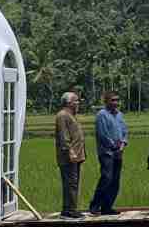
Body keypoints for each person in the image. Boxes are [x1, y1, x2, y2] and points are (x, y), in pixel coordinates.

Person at [89, 92, 129, 215]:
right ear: (106, 101)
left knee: (115, 181)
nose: (116, 102)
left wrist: (123, 144)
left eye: (117, 100)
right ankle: (95, 205)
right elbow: (102, 134)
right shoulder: (102, 115)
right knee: (107, 178)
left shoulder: (120, 115)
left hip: (118, 152)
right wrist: (114, 145)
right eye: (113, 100)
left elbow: (125, 131)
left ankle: (107, 207)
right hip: (107, 152)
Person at [54, 91, 85, 219]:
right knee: (70, 183)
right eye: (76, 101)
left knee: (74, 183)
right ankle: (68, 211)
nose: (78, 103)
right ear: (68, 102)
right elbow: (64, 136)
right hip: (68, 157)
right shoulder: (62, 115)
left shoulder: (71, 115)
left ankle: (71, 208)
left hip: (76, 156)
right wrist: (70, 151)